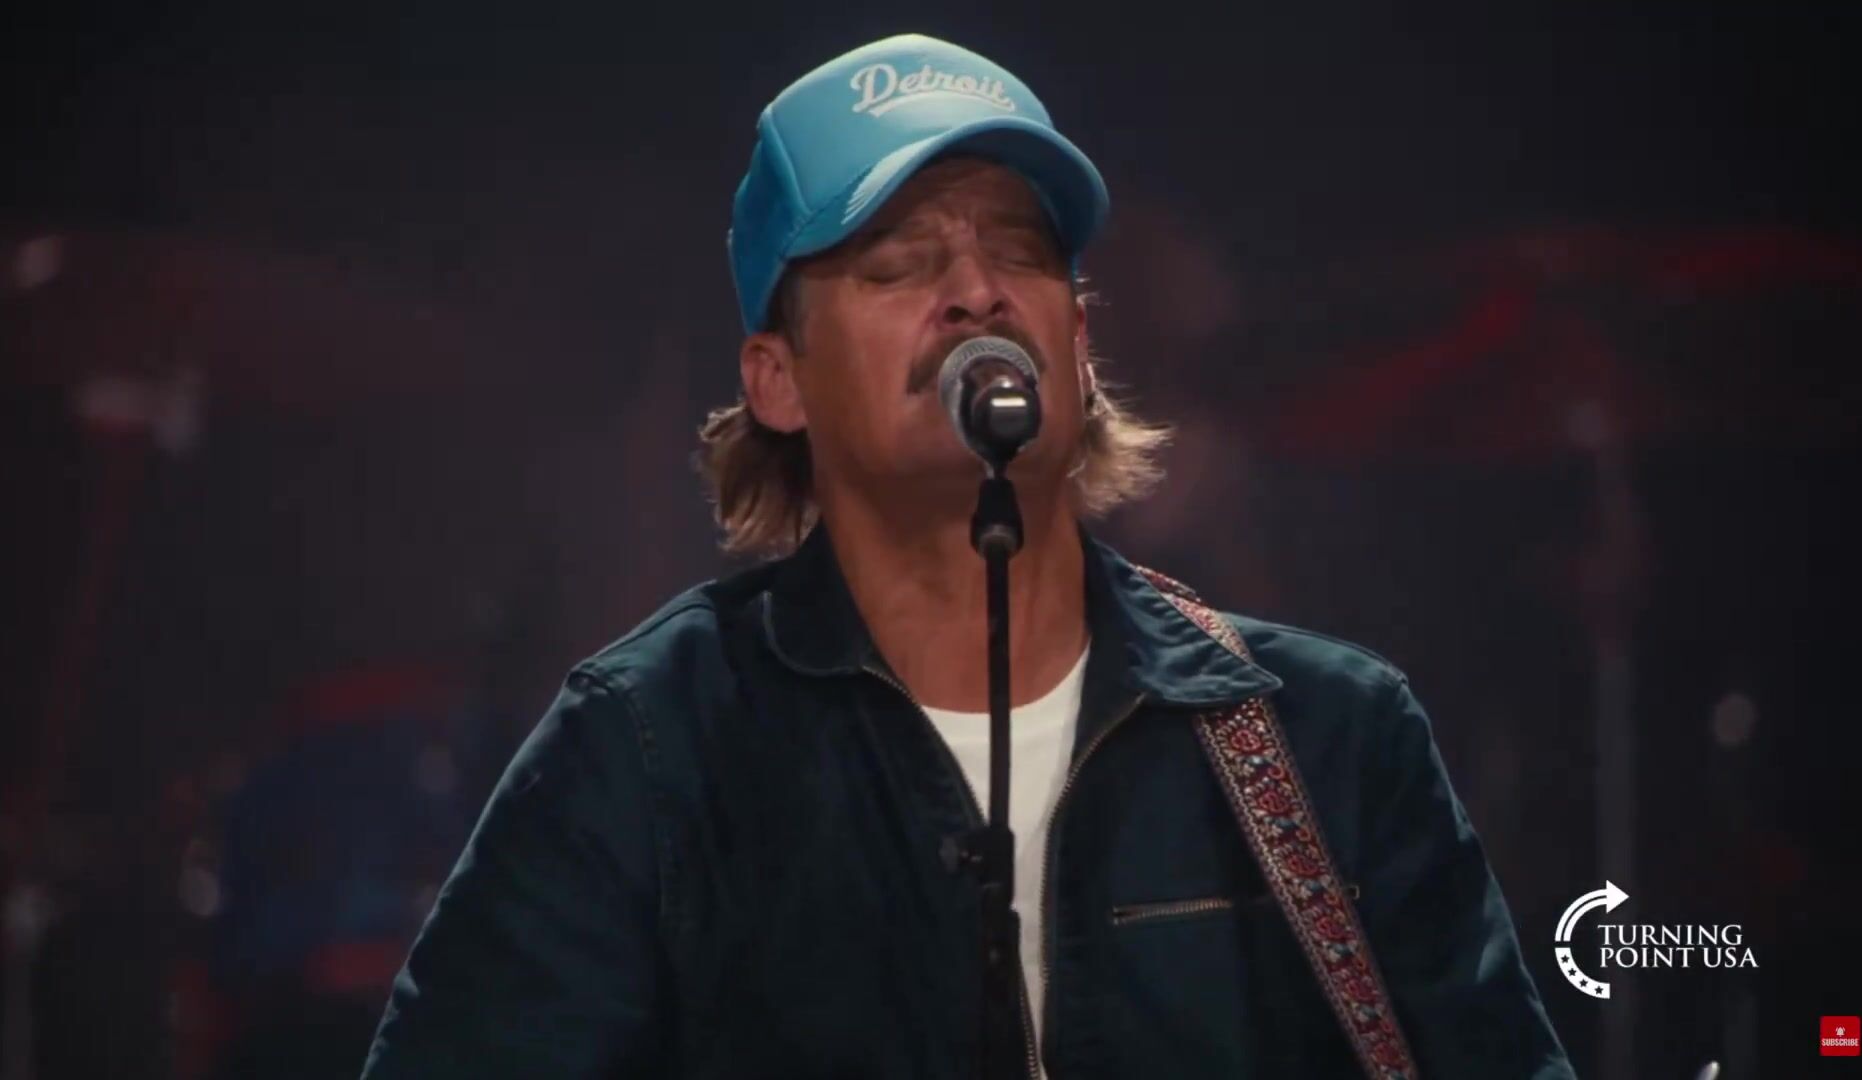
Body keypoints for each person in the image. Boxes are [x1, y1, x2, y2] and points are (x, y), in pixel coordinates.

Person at [359, 32, 1576, 1079]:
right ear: (776, 381)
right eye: (896, 262)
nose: (975, 290)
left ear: (1077, 343)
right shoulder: (645, 746)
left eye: (1021, 252)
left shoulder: (1329, 736)